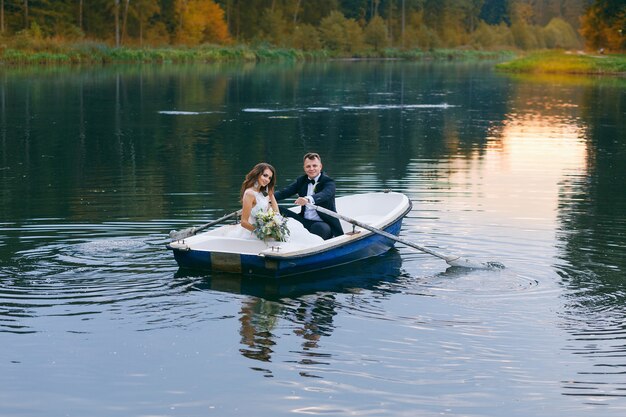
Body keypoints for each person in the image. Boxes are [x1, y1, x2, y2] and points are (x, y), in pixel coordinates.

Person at [225, 162, 324, 247]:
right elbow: (244, 222)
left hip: (265, 228)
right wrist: (263, 233)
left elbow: (276, 212)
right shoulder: (250, 193)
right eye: (265, 175)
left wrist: (271, 195)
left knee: (297, 230)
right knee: (292, 237)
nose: (267, 180)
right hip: (255, 232)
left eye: (269, 178)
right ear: (257, 174)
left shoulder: (260, 193)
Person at [274, 153, 344, 240]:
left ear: (320, 167)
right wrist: (265, 198)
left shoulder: (329, 182)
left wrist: (308, 199)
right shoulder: (301, 181)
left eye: (314, 165)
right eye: (308, 166)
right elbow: (283, 193)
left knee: (319, 229)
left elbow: (325, 194)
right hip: (303, 220)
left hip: (322, 223)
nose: (311, 169)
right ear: (304, 168)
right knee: (275, 209)